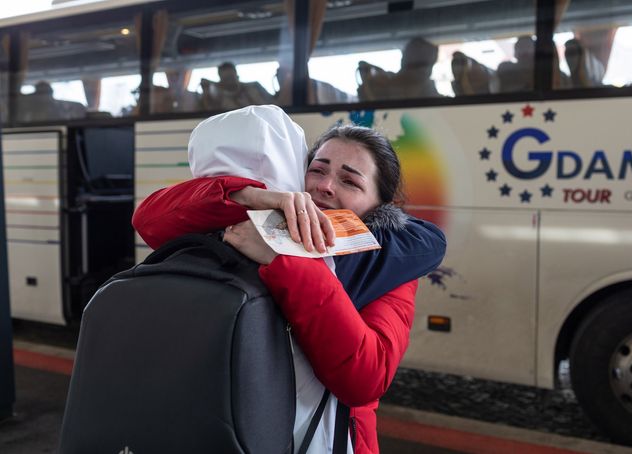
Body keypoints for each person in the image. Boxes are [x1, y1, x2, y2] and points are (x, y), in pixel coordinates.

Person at [132, 106, 446, 453]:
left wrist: (285, 261)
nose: (325, 186)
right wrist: (250, 196)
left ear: (380, 203)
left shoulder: (387, 262)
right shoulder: (255, 227)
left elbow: (366, 378)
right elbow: (148, 218)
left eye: (350, 181)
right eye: (317, 170)